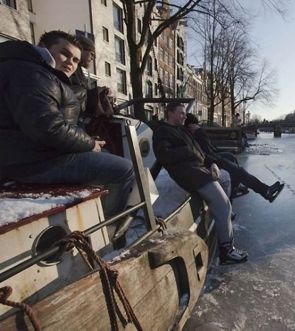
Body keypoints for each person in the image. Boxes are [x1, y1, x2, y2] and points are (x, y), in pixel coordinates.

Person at [0, 31, 135, 243]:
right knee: (124, 169)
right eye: (64, 54)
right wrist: (89, 143)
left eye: (75, 59)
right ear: (43, 47)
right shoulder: (31, 73)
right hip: (35, 161)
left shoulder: (33, 70)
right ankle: (107, 234)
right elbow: (49, 129)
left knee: (107, 155)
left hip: (30, 155)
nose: (71, 63)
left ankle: (97, 216)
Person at [153, 103, 248, 265]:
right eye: (181, 113)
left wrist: (212, 164)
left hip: (200, 169)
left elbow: (199, 151)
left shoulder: (183, 130)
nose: (185, 116)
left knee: (225, 177)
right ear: (169, 113)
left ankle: (222, 219)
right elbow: (165, 156)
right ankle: (227, 252)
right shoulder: (162, 132)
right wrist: (187, 151)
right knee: (223, 204)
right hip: (189, 174)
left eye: (184, 113)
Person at [184, 113, 284, 202]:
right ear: (191, 126)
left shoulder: (193, 134)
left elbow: (209, 149)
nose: (198, 126)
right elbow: (206, 151)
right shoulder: (193, 134)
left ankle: (235, 188)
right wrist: (199, 132)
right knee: (239, 172)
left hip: (210, 159)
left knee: (231, 158)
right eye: (196, 125)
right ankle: (266, 191)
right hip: (208, 162)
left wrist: (225, 152)